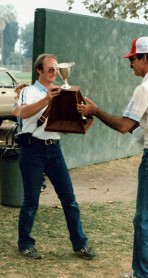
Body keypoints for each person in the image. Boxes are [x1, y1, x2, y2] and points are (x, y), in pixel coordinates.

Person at [77, 37, 148, 278]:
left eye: (132, 59)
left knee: (144, 218)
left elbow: (124, 126)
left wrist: (95, 111)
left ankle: (144, 274)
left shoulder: (145, 87)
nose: (130, 64)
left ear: (145, 58)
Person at [17, 54, 96, 260]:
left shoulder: (63, 91)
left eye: (56, 69)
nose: (55, 73)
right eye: (50, 69)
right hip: (32, 149)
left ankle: (80, 244)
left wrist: (83, 116)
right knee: (31, 201)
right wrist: (46, 99)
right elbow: (23, 113)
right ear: (39, 71)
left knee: (69, 199)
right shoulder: (29, 91)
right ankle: (25, 244)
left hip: (54, 148)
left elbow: (65, 123)